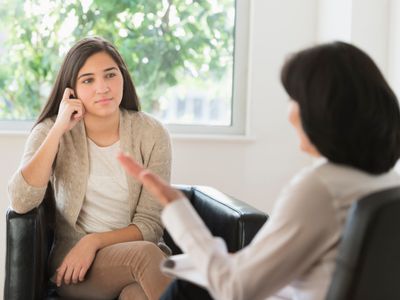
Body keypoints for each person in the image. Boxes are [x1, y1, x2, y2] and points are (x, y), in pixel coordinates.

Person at [117, 41, 400, 300]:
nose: (290, 113)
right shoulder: (387, 180)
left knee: (187, 286)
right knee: (193, 280)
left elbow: (234, 290)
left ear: (322, 110)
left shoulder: (321, 187)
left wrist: (175, 204)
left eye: (295, 99)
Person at [8, 36, 172, 300]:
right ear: (70, 89)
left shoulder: (151, 133)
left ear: (123, 77)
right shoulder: (51, 131)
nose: (103, 88)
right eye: (88, 80)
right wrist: (58, 129)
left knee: (137, 295)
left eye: (110, 75)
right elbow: (21, 201)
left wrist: (93, 241)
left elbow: (150, 224)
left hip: (137, 257)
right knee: (146, 256)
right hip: (77, 268)